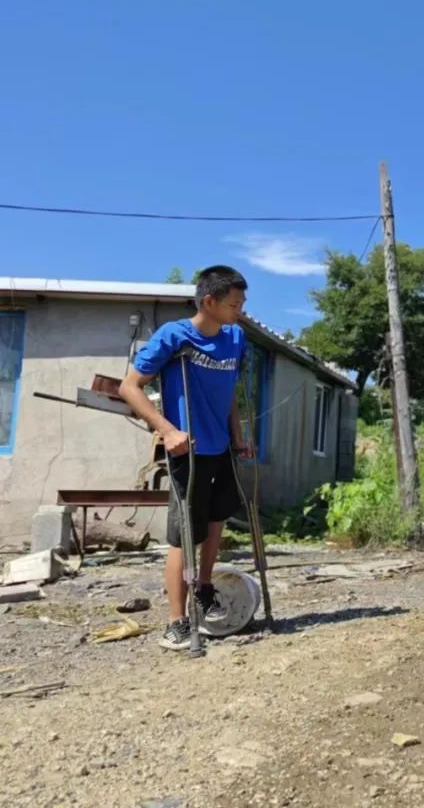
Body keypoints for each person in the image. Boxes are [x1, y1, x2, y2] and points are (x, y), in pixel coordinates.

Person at [119, 266, 254, 650]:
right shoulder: (175, 336)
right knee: (184, 536)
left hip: (221, 447)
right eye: (233, 304)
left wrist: (239, 435)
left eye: (242, 304)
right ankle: (176, 621)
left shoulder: (234, 338)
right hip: (188, 449)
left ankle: (205, 589)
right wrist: (166, 429)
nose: (239, 311)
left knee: (216, 522)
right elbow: (130, 387)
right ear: (208, 301)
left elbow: (229, 389)